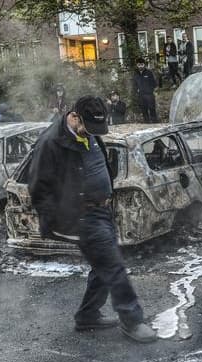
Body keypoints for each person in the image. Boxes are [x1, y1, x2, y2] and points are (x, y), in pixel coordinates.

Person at [27, 96, 157, 343]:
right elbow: (38, 189)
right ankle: (132, 321)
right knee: (114, 266)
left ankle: (87, 316)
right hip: (81, 215)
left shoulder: (89, 133)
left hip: (101, 210)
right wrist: (60, 221)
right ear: (74, 116)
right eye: (88, 128)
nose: (93, 134)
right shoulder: (50, 143)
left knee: (103, 265)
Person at [133, 58, 158, 123]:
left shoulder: (149, 72)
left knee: (152, 109)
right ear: (137, 65)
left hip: (149, 94)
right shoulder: (136, 74)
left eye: (142, 64)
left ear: (144, 65)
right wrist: (136, 90)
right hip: (141, 95)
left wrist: (153, 91)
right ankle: (147, 123)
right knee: (144, 110)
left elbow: (154, 83)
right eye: (139, 65)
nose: (140, 66)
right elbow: (134, 84)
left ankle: (155, 122)